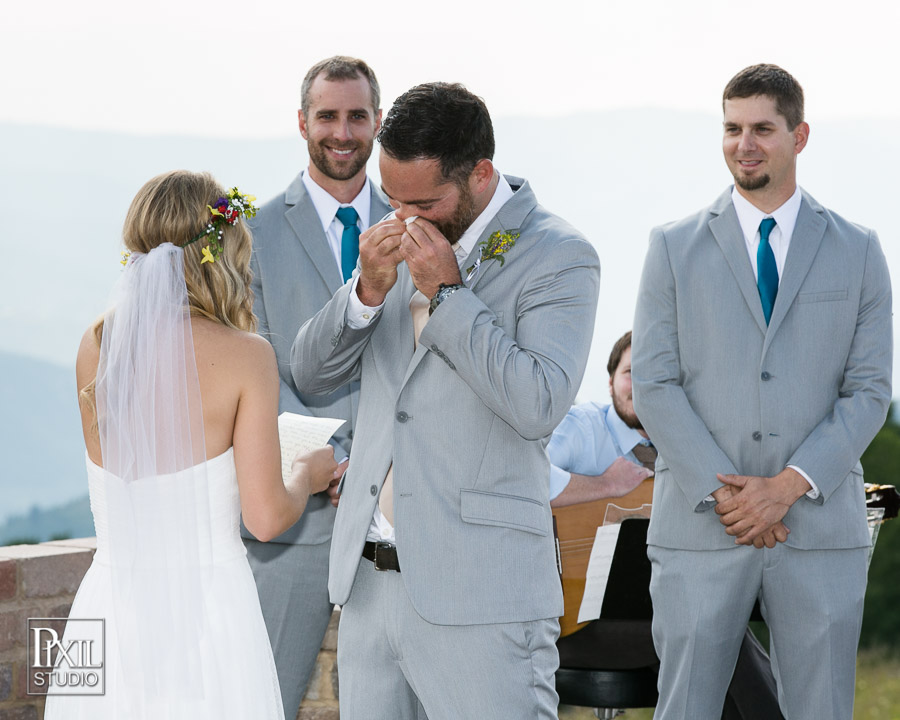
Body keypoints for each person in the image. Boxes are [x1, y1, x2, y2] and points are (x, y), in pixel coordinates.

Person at [292, 82, 601, 719]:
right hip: (370, 588)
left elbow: (538, 402)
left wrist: (451, 297)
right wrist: (365, 292)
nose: (404, 219)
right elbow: (310, 375)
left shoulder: (560, 255)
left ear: (480, 173)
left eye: (424, 202)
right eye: (393, 200)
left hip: (482, 597)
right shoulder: (395, 239)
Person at [632, 64, 892, 720]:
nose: (744, 144)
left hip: (817, 525)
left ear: (798, 135)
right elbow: (655, 385)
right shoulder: (672, 247)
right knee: (685, 708)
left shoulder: (859, 250)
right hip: (700, 525)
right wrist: (728, 496)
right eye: (732, 129)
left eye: (762, 129)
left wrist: (785, 488)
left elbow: (868, 391)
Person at [44, 170, 340, 720]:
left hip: (110, 608)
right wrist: (307, 473)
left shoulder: (96, 344)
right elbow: (266, 519)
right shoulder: (247, 354)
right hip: (208, 615)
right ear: (222, 251)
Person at [241, 55, 390, 718]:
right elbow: (258, 368)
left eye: (357, 115)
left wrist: (376, 461)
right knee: (267, 694)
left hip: (398, 512)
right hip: (297, 513)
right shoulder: (253, 234)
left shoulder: (419, 227)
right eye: (327, 115)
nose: (342, 130)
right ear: (302, 122)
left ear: (378, 123)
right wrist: (333, 459)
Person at [549, 331, 784, 720]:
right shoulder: (581, 428)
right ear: (610, 382)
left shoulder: (699, 448)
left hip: (658, 623)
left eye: (653, 375)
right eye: (629, 373)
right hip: (570, 627)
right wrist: (605, 486)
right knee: (703, 630)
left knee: (707, 626)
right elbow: (523, 481)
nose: (639, 385)